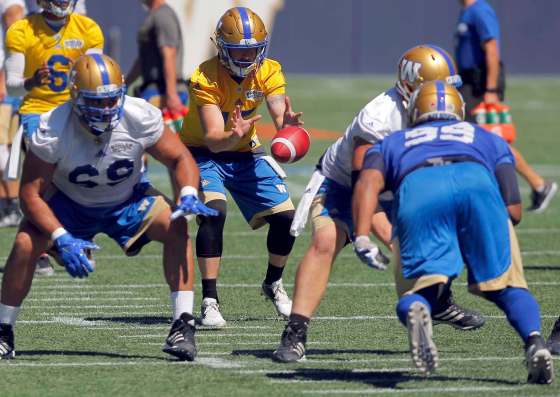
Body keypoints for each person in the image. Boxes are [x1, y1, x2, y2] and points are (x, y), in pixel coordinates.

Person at [272, 45, 484, 363]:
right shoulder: (380, 117)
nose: (442, 94)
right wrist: (362, 236)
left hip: (400, 186)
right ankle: (295, 332)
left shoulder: (440, 109)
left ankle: (437, 301)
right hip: (344, 184)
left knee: (440, 235)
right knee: (326, 240)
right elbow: (364, 186)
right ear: (410, 85)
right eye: (433, 87)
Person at [0, 54, 218, 361]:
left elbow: (179, 157)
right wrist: (60, 236)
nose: (105, 109)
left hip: (127, 200)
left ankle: (182, 324)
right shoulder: (53, 127)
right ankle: (3, 330)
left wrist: (187, 192)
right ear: (76, 97)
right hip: (69, 203)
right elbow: (30, 195)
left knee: (176, 223)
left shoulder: (138, 115)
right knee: (24, 243)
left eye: (111, 100)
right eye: (95, 102)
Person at [352, 81, 553, 384]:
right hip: (476, 182)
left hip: (420, 188)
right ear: (459, 110)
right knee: (507, 284)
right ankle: (534, 341)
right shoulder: (484, 136)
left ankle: (419, 305)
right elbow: (514, 211)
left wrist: (363, 236)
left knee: (417, 290)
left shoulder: (392, 142)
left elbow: (367, 184)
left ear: (414, 110)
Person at [179, 7, 303, 328]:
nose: (248, 56)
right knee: (213, 212)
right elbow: (212, 139)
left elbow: (278, 115)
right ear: (222, 48)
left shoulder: (269, 70)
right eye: (240, 50)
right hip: (204, 153)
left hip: (246, 152)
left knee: (288, 218)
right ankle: (209, 300)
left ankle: (272, 283)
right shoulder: (205, 77)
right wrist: (230, 133)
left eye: (253, 49)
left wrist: (287, 128)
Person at [4, 0, 104, 275]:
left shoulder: (88, 28)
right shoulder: (22, 29)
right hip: (37, 110)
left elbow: (97, 77)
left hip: (76, 109)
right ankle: (39, 247)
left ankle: (81, 237)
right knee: (39, 184)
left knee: (81, 177)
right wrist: (32, 82)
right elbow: (12, 88)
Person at [455, 0, 557, 212]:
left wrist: (490, 90)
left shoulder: (480, 10)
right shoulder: (467, 11)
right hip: (467, 84)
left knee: (487, 140)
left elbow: (491, 48)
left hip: (480, 85)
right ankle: (538, 185)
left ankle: (537, 185)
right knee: (479, 139)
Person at [126, 0, 188, 201]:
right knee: (139, 146)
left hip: (161, 94)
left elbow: (168, 53)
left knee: (169, 151)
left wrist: (170, 94)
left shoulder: (163, 15)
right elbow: (143, 60)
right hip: (152, 91)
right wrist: (125, 82)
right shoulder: (154, 15)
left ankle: (182, 200)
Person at [0, 0, 25, 228]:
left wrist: (3, 77)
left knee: (3, 148)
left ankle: (12, 204)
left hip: (5, 87)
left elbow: (14, 21)